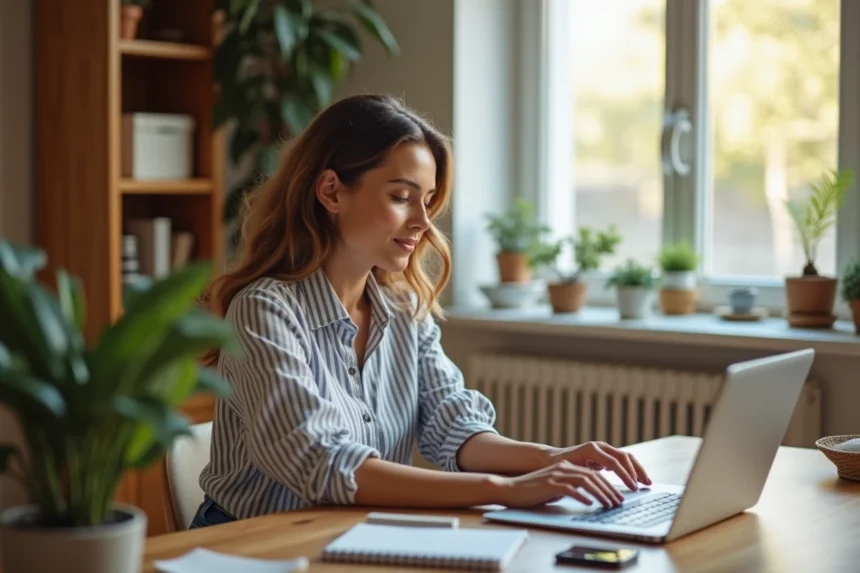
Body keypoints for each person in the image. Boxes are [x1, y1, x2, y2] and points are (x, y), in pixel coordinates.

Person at [189, 94, 651, 529]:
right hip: (249, 545)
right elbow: (323, 463)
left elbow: (453, 425)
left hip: (354, 533)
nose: (423, 222)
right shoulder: (263, 310)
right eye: (401, 196)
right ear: (331, 191)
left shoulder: (404, 308)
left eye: (427, 200)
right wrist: (506, 490)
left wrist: (554, 458)